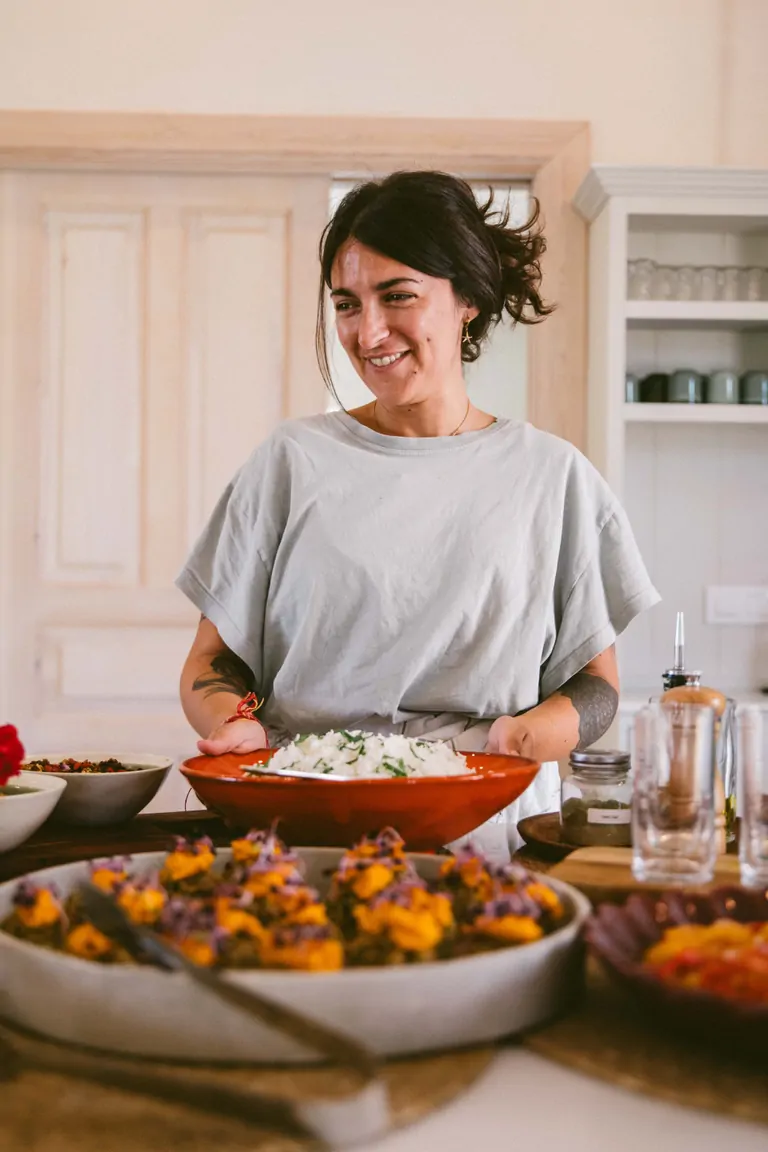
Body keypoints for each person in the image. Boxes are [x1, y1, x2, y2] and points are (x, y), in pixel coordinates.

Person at [176, 170, 659, 855]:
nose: (368, 332)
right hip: (308, 809)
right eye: (347, 304)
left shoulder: (552, 477)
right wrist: (237, 721)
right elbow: (218, 661)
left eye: (396, 296)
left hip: (483, 817)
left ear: (467, 299)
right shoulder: (289, 462)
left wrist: (525, 735)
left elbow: (597, 687)